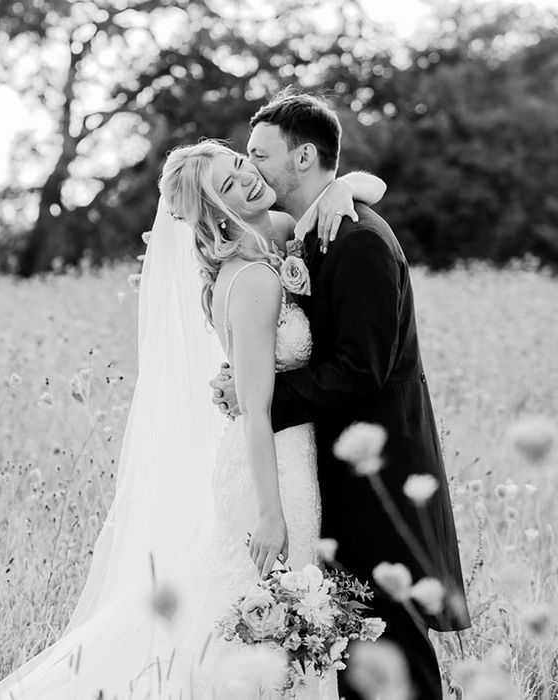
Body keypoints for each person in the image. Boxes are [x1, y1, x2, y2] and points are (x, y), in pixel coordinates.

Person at [0, 138, 386, 699]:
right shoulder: (254, 280)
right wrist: (270, 512)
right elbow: (257, 411)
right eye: (227, 185)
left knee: (252, 613)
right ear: (216, 215)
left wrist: (339, 185)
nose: (245, 177)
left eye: (241, 164)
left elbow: (370, 188)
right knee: (263, 614)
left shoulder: (270, 241)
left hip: (281, 455)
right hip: (270, 467)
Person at [211, 90, 471, 700]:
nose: (251, 169)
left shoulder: (355, 241)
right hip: (335, 472)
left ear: (303, 158)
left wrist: (262, 397)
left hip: (379, 473)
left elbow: (361, 372)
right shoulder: (307, 232)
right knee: (355, 651)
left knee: (393, 652)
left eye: (259, 154)